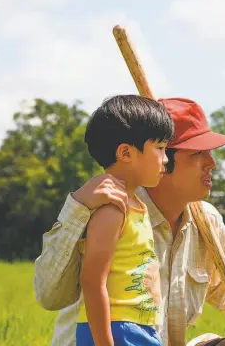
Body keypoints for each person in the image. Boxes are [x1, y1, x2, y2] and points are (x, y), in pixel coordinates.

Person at [34, 97, 225, 346]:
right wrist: (77, 208)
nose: (212, 163)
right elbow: (49, 296)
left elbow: (222, 280)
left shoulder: (207, 221)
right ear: (165, 160)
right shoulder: (110, 208)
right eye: (198, 153)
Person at [76, 94, 174, 345]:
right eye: (161, 148)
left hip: (140, 327)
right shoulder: (112, 208)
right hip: (116, 329)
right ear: (126, 153)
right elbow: (92, 281)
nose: (166, 159)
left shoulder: (137, 206)